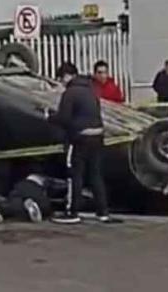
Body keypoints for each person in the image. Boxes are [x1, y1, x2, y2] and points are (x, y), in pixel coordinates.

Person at [50, 62, 119, 225]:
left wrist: (50, 117)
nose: (61, 83)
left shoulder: (70, 93)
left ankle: (73, 211)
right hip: (98, 136)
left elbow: (64, 118)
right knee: (95, 174)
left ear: (67, 76)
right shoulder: (90, 90)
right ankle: (103, 212)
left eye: (61, 79)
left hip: (80, 138)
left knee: (75, 175)